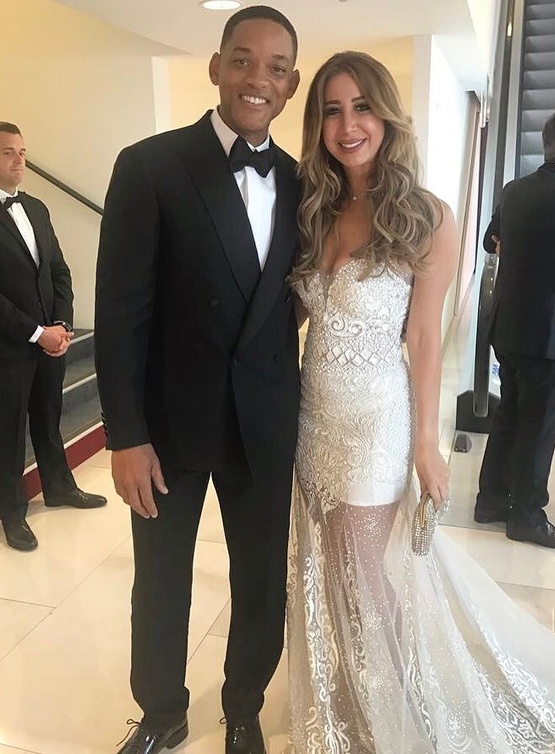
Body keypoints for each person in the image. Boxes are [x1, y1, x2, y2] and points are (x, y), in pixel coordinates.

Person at [286, 52, 555, 753]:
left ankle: (393, 721)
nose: (347, 125)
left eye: (361, 106)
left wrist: (425, 445)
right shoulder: (314, 207)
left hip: (374, 423)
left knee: (362, 583)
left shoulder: (427, 216)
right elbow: (295, 315)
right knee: (329, 574)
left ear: (386, 114)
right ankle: (347, 706)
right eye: (331, 110)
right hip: (311, 417)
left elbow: (423, 337)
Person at [94, 6, 300, 754]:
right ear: (216, 68)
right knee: (160, 580)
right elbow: (120, 313)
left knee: (259, 582)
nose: (256, 79)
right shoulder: (148, 165)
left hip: (264, 422)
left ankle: (243, 707)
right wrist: (125, 436)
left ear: (291, 86)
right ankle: (161, 713)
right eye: (241, 59)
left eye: (275, 68)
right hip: (169, 424)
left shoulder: (302, 182)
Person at [0, 122, 106, 553]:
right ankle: (12, 513)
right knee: (9, 431)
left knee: (48, 416)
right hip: (9, 346)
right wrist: (36, 333)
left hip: (50, 339)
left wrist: (61, 324)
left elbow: (59, 270)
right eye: (8, 152)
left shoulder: (37, 207)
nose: (19, 160)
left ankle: (59, 487)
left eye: (22, 151)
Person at [474, 109, 555, 548]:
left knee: (509, 413)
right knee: (539, 424)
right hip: (550, 334)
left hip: (508, 326)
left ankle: (491, 500)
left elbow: (490, 241)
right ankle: (527, 515)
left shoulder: (515, 190)